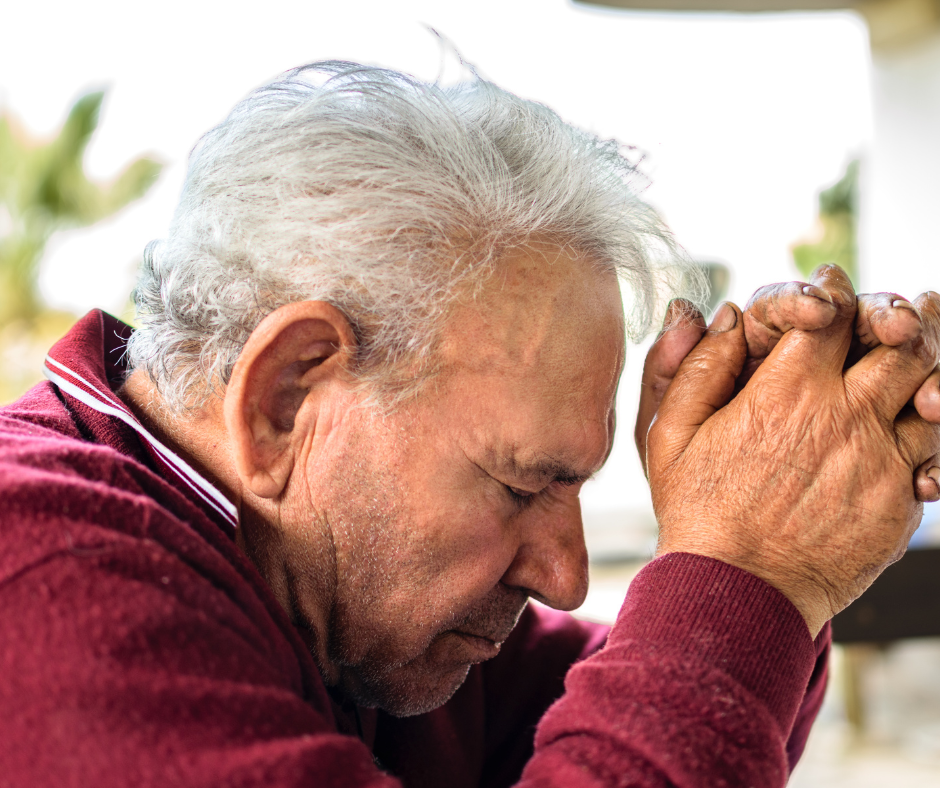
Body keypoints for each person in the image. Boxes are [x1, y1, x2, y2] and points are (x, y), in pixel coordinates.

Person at [0, 60, 937, 788]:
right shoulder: (38, 581)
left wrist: (783, 491)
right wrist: (750, 568)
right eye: (525, 485)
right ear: (285, 400)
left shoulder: (360, 604)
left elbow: (652, 720)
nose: (565, 578)